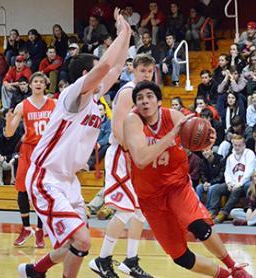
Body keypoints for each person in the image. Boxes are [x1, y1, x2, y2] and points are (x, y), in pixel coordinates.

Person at [17, 9, 133, 278]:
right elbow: (105, 66)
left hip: (69, 180)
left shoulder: (94, 97)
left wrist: (127, 35)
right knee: (81, 240)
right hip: (46, 177)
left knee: (74, 242)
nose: (101, 75)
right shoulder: (73, 96)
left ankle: (35, 271)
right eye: (94, 71)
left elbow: (115, 68)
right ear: (84, 74)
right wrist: (121, 33)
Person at [123, 81, 252, 277]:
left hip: (176, 185)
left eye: (149, 96)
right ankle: (224, 276)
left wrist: (207, 136)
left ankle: (234, 267)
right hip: (150, 197)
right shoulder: (133, 122)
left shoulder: (174, 116)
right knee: (180, 257)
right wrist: (171, 135)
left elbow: (195, 135)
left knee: (199, 226)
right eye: (139, 99)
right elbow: (141, 160)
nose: (144, 101)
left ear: (159, 101)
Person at [89, 53, 155, 278]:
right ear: (133, 70)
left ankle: (130, 260)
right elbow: (117, 129)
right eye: (142, 70)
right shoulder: (128, 93)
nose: (146, 74)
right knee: (126, 210)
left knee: (139, 210)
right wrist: (132, 153)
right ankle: (102, 259)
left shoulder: (148, 94)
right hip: (122, 154)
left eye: (149, 71)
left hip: (136, 154)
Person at [6, 72, 56, 249]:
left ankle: (41, 230)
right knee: (22, 189)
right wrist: (8, 122)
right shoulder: (22, 105)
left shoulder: (54, 104)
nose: (38, 84)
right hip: (28, 150)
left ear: (45, 85)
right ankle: (26, 227)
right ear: (30, 84)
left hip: (45, 152)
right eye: (35, 81)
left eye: (41, 81)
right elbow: (9, 134)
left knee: (42, 191)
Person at [209, 135, 255, 223]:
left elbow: (250, 171)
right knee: (216, 189)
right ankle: (213, 211)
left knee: (237, 190)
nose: (237, 147)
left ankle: (223, 213)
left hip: (245, 183)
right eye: (235, 145)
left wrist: (239, 184)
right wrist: (229, 183)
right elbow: (227, 173)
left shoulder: (249, 153)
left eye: (239, 145)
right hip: (233, 183)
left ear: (244, 145)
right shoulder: (230, 157)